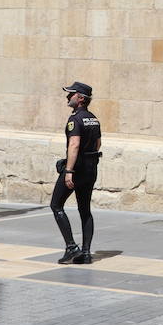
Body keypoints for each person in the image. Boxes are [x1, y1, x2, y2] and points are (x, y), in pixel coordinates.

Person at [53, 81, 102, 265]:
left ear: (80, 98)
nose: (68, 96)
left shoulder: (75, 119)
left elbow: (74, 145)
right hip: (91, 168)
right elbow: (98, 144)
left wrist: (68, 171)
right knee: (85, 210)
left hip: (77, 168)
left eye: (71, 94)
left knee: (56, 205)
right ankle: (87, 253)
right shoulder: (93, 118)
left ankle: (71, 246)